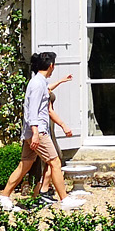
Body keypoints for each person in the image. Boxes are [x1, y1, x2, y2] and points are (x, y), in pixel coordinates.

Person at [0, 53, 85, 212]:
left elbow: (46, 91)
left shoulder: (38, 82)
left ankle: (3, 197)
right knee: (55, 162)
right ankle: (64, 199)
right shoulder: (37, 84)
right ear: (51, 66)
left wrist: (61, 81)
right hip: (39, 132)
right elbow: (32, 111)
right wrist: (36, 133)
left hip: (32, 132)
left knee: (24, 165)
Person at [35, 72, 75, 204]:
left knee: (51, 160)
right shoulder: (38, 85)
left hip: (47, 126)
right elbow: (50, 111)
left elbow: (49, 88)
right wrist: (63, 125)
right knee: (53, 159)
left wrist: (61, 80)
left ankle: (43, 190)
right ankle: (42, 190)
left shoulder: (41, 85)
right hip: (45, 126)